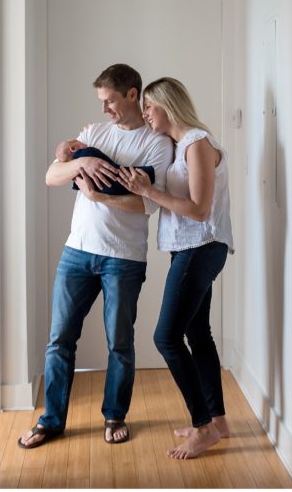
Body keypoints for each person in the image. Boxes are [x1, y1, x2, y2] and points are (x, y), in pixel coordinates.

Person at [17, 64, 173, 449]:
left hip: (123, 258)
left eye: (110, 101)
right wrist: (81, 162)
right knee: (59, 340)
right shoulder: (92, 133)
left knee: (119, 342)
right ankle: (51, 420)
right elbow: (52, 176)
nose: (104, 109)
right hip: (77, 251)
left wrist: (99, 195)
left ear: (132, 95)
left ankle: (114, 415)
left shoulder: (156, 143)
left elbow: (146, 205)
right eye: (101, 101)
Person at [117, 76, 234, 459]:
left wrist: (148, 192)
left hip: (200, 248)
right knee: (198, 335)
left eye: (149, 106)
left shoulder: (197, 143)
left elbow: (200, 210)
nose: (146, 114)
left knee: (166, 338)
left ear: (167, 105)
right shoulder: (182, 144)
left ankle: (202, 428)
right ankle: (217, 422)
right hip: (189, 249)